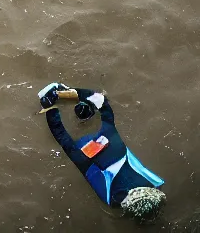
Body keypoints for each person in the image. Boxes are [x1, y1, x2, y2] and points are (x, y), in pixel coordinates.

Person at [39, 83, 166, 224]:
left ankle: (80, 105)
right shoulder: (109, 195)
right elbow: (63, 138)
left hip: (103, 154)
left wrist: (69, 95)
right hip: (92, 158)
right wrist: (49, 109)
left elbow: (102, 102)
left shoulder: (112, 140)